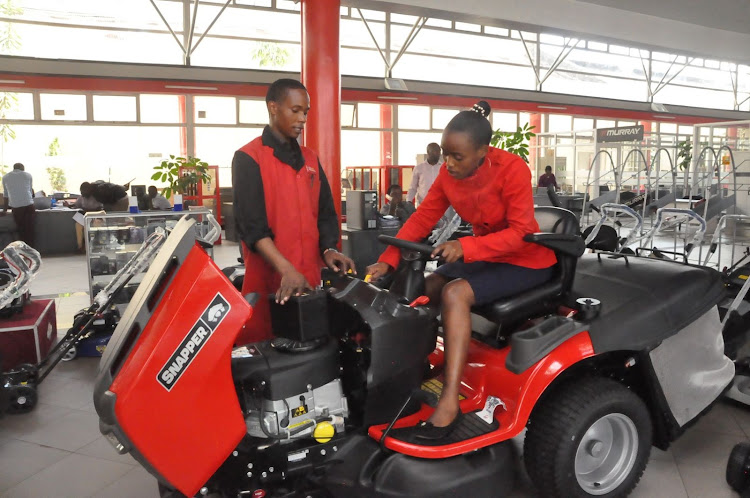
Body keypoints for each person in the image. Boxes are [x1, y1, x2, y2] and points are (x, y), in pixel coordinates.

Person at [366, 101, 557, 440]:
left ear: (482, 152)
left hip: (527, 260)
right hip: (490, 256)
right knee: (431, 283)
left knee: (455, 293)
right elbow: (422, 218)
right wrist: (389, 259)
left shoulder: (512, 169)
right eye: (446, 154)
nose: (449, 164)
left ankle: (450, 400)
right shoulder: (447, 175)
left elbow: (520, 232)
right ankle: (416, 367)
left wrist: (466, 248)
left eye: (458, 157)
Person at [232, 78, 355, 344]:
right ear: (273, 107)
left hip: (308, 282)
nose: (302, 119)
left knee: (308, 354)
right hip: (269, 283)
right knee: (267, 355)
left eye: (305, 112)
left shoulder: (311, 159)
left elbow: (324, 213)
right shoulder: (249, 158)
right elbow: (252, 228)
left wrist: (328, 250)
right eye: (295, 110)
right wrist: (286, 269)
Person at [1, 163, 36, 247]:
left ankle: (23, 251)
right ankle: (32, 250)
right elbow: (30, 191)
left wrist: (4, 210)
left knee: (21, 229)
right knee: (30, 229)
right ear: (22, 168)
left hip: (16, 208)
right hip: (29, 205)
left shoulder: (5, 177)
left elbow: (5, 195)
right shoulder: (28, 175)